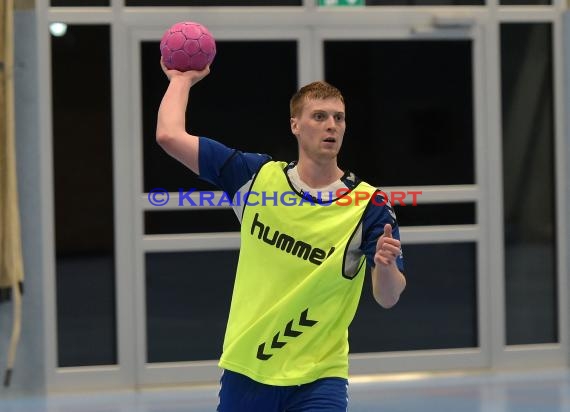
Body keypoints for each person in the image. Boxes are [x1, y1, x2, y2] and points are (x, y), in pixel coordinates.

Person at [156, 60, 406, 412]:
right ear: (295, 125)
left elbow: (388, 297)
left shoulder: (369, 205)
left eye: (339, 117)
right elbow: (169, 136)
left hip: (320, 375)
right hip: (247, 368)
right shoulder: (255, 178)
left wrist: (384, 265)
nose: (331, 125)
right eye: (319, 116)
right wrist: (181, 80)